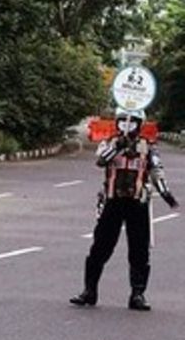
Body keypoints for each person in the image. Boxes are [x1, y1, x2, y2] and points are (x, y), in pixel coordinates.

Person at [71, 109, 178, 311]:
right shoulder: (110, 143)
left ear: (139, 124)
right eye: (122, 123)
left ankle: (137, 294)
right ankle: (89, 291)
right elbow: (101, 160)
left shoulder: (149, 148)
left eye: (131, 123)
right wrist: (118, 147)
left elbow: (157, 172)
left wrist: (166, 194)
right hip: (113, 200)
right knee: (100, 246)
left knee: (139, 249)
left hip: (138, 203)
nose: (126, 127)